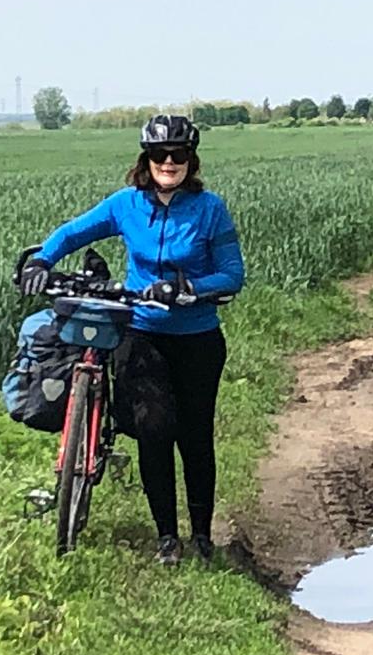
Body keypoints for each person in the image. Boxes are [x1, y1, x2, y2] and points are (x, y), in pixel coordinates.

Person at [18, 114, 245, 565]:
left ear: (191, 160)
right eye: (159, 154)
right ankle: (168, 539)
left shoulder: (209, 209)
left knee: (195, 437)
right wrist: (41, 260)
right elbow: (74, 231)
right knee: (153, 430)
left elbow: (232, 274)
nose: (168, 162)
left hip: (197, 338)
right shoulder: (127, 204)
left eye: (178, 154)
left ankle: (202, 536)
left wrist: (189, 288)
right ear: (146, 159)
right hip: (142, 333)